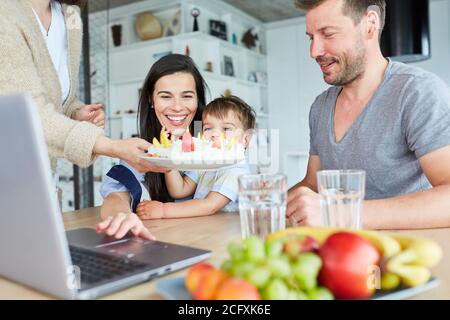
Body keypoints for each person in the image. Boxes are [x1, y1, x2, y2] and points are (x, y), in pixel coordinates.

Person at [287, 0, 450, 230]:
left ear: (370, 25)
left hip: (403, 257)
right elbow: (313, 184)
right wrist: (262, 202)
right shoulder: (320, 107)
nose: (314, 51)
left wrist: (340, 214)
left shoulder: (417, 92)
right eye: (311, 37)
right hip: (337, 255)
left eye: (328, 34)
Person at [0, 0, 161, 176]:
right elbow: (27, 115)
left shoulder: (69, 16)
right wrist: (113, 146)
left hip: (41, 176)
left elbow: (55, 96)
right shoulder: (5, 15)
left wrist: (74, 112)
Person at [96, 54, 208, 239]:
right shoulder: (142, 149)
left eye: (187, 96)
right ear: (151, 99)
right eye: (166, 96)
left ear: (198, 100)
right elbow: (116, 195)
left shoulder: (215, 146)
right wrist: (121, 216)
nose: (177, 107)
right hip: (169, 240)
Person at [135, 96, 255, 220]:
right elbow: (179, 190)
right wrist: (169, 158)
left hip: (223, 232)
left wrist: (163, 210)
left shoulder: (237, 172)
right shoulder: (205, 162)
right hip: (202, 227)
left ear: (246, 139)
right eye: (208, 128)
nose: (214, 134)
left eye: (226, 128)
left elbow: (210, 205)